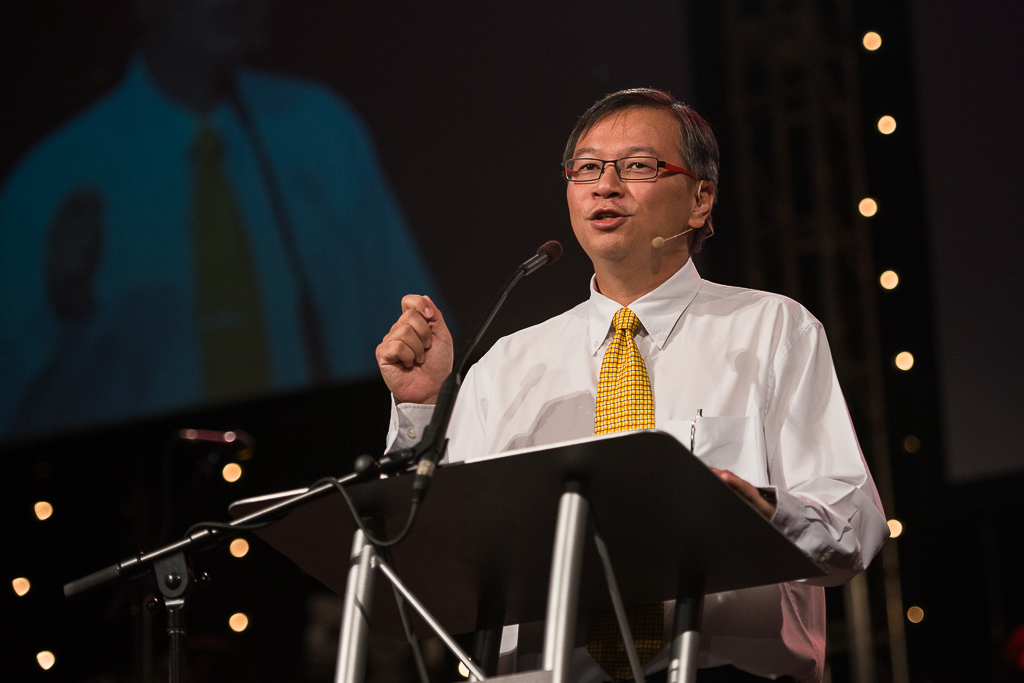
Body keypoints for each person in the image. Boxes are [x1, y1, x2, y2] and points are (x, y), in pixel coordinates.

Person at [375, 88, 888, 683]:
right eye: (587, 168)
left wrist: (761, 513)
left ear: (701, 199)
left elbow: (851, 524)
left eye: (638, 167)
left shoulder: (772, 328)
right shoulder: (507, 363)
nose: (605, 185)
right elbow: (427, 549)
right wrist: (420, 410)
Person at [0, 0, 436, 441]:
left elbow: (420, 333)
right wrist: (57, 308)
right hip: (147, 495)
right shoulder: (53, 179)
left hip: (327, 473)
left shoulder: (322, 130)